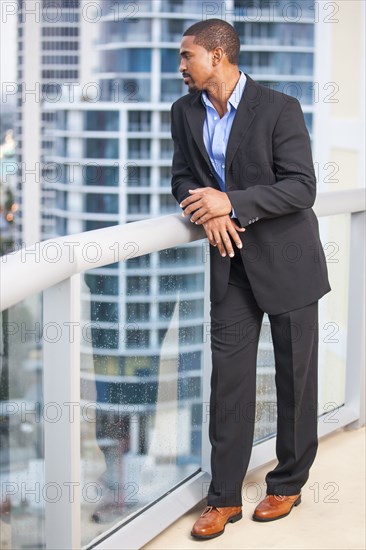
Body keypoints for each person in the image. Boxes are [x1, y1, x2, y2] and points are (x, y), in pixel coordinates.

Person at [170, 19, 330, 540]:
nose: (181, 66)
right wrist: (207, 210)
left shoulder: (279, 108)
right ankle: (223, 499)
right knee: (230, 385)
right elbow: (182, 177)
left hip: (289, 264)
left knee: (294, 383)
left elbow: (300, 188)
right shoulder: (183, 112)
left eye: (187, 56)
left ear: (217, 56)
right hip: (231, 265)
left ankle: (287, 483)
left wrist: (232, 202)